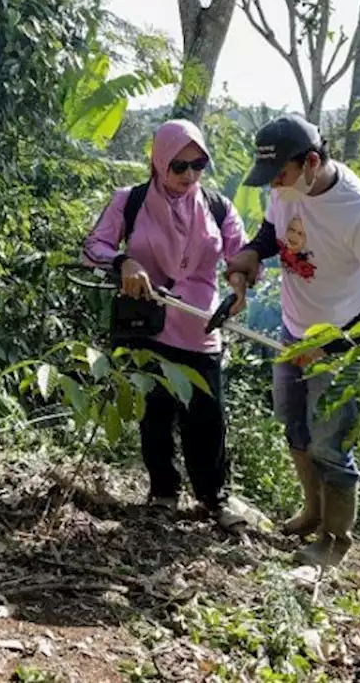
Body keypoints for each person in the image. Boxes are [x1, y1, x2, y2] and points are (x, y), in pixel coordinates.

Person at [225, 115, 360, 567]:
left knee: (330, 442)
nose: (276, 187)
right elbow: (272, 233)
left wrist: (332, 347)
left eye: (282, 176)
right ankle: (312, 511)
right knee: (293, 424)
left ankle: (336, 539)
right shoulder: (286, 190)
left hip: (343, 342)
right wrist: (252, 253)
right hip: (295, 330)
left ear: (312, 162)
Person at [82, 120, 248, 530]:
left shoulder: (218, 207)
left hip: (200, 327)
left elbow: (239, 256)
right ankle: (163, 493)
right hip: (148, 325)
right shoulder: (130, 201)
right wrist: (125, 262)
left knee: (207, 418)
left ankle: (213, 497)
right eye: (179, 166)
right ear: (159, 162)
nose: (189, 175)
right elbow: (95, 246)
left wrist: (239, 285)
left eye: (198, 165)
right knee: (155, 413)